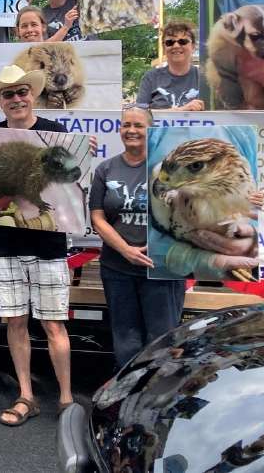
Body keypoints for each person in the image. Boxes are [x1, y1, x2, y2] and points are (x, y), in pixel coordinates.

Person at [0, 64, 77, 426]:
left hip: (48, 243)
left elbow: (71, 185)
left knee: (53, 324)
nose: (17, 99)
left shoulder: (56, 134)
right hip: (6, 243)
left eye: (22, 92)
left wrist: (80, 154)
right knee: (15, 321)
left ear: (32, 95)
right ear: (0, 102)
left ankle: (66, 400)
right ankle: (26, 396)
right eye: (8, 94)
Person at [90, 105, 187, 368]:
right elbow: (97, 217)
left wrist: (248, 200)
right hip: (117, 268)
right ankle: (126, 398)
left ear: (151, 130)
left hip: (162, 269)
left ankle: (155, 402)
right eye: (126, 125)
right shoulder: (105, 169)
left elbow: (202, 207)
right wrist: (125, 250)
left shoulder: (172, 169)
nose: (131, 130)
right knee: (125, 339)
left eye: (138, 125)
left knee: (162, 339)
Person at [136, 20, 204, 110]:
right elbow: (139, 115)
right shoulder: (150, 78)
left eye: (182, 41)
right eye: (170, 42)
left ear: (193, 46)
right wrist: (182, 110)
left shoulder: (206, 79)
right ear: (164, 48)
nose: (176, 45)